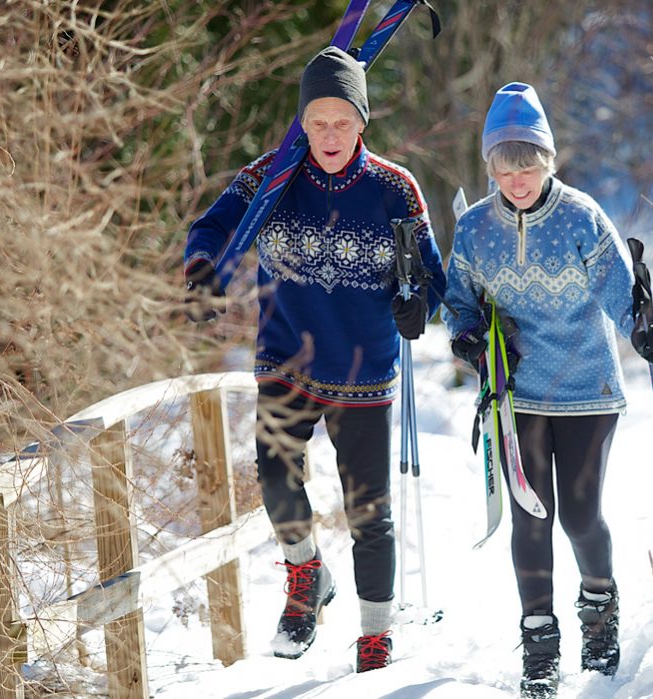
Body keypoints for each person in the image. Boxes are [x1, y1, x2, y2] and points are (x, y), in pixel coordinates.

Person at [184, 46, 445, 672]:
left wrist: (420, 308)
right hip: (286, 357)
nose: (329, 134)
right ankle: (306, 579)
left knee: (368, 513)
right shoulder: (273, 176)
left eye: (342, 121)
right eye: (317, 121)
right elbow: (212, 227)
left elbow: (432, 280)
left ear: (362, 122)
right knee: (275, 479)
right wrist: (201, 270)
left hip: (363, 368)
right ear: (302, 122)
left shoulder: (393, 188)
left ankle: (375, 638)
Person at [442, 82, 653, 698]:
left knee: (577, 513)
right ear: (490, 166)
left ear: (549, 161)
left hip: (587, 387)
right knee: (529, 516)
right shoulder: (473, 229)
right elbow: (458, 305)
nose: (517, 179)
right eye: (505, 166)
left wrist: (644, 331)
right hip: (515, 391)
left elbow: (620, 292)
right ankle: (539, 646)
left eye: (529, 164)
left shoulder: (579, 215)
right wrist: (467, 342)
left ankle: (599, 610)